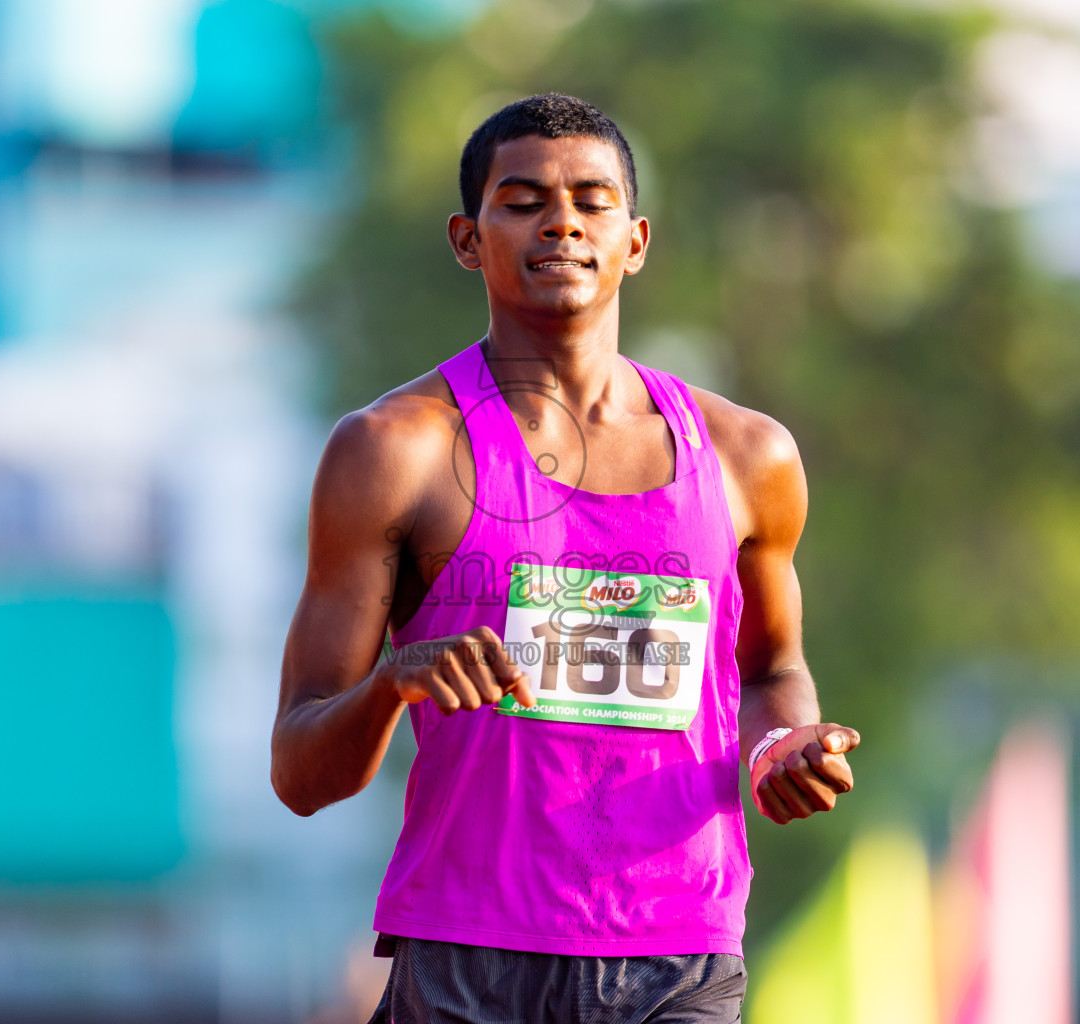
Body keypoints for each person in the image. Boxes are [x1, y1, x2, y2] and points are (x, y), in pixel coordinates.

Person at [271, 93, 860, 1023]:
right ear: (469, 239)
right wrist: (396, 682)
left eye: (593, 200)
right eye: (524, 200)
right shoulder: (394, 451)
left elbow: (773, 669)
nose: (562, 223)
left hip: (679, 955)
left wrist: (779, 748)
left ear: (635, 240)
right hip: (469, 957)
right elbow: (302, 775)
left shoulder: (749, 457)